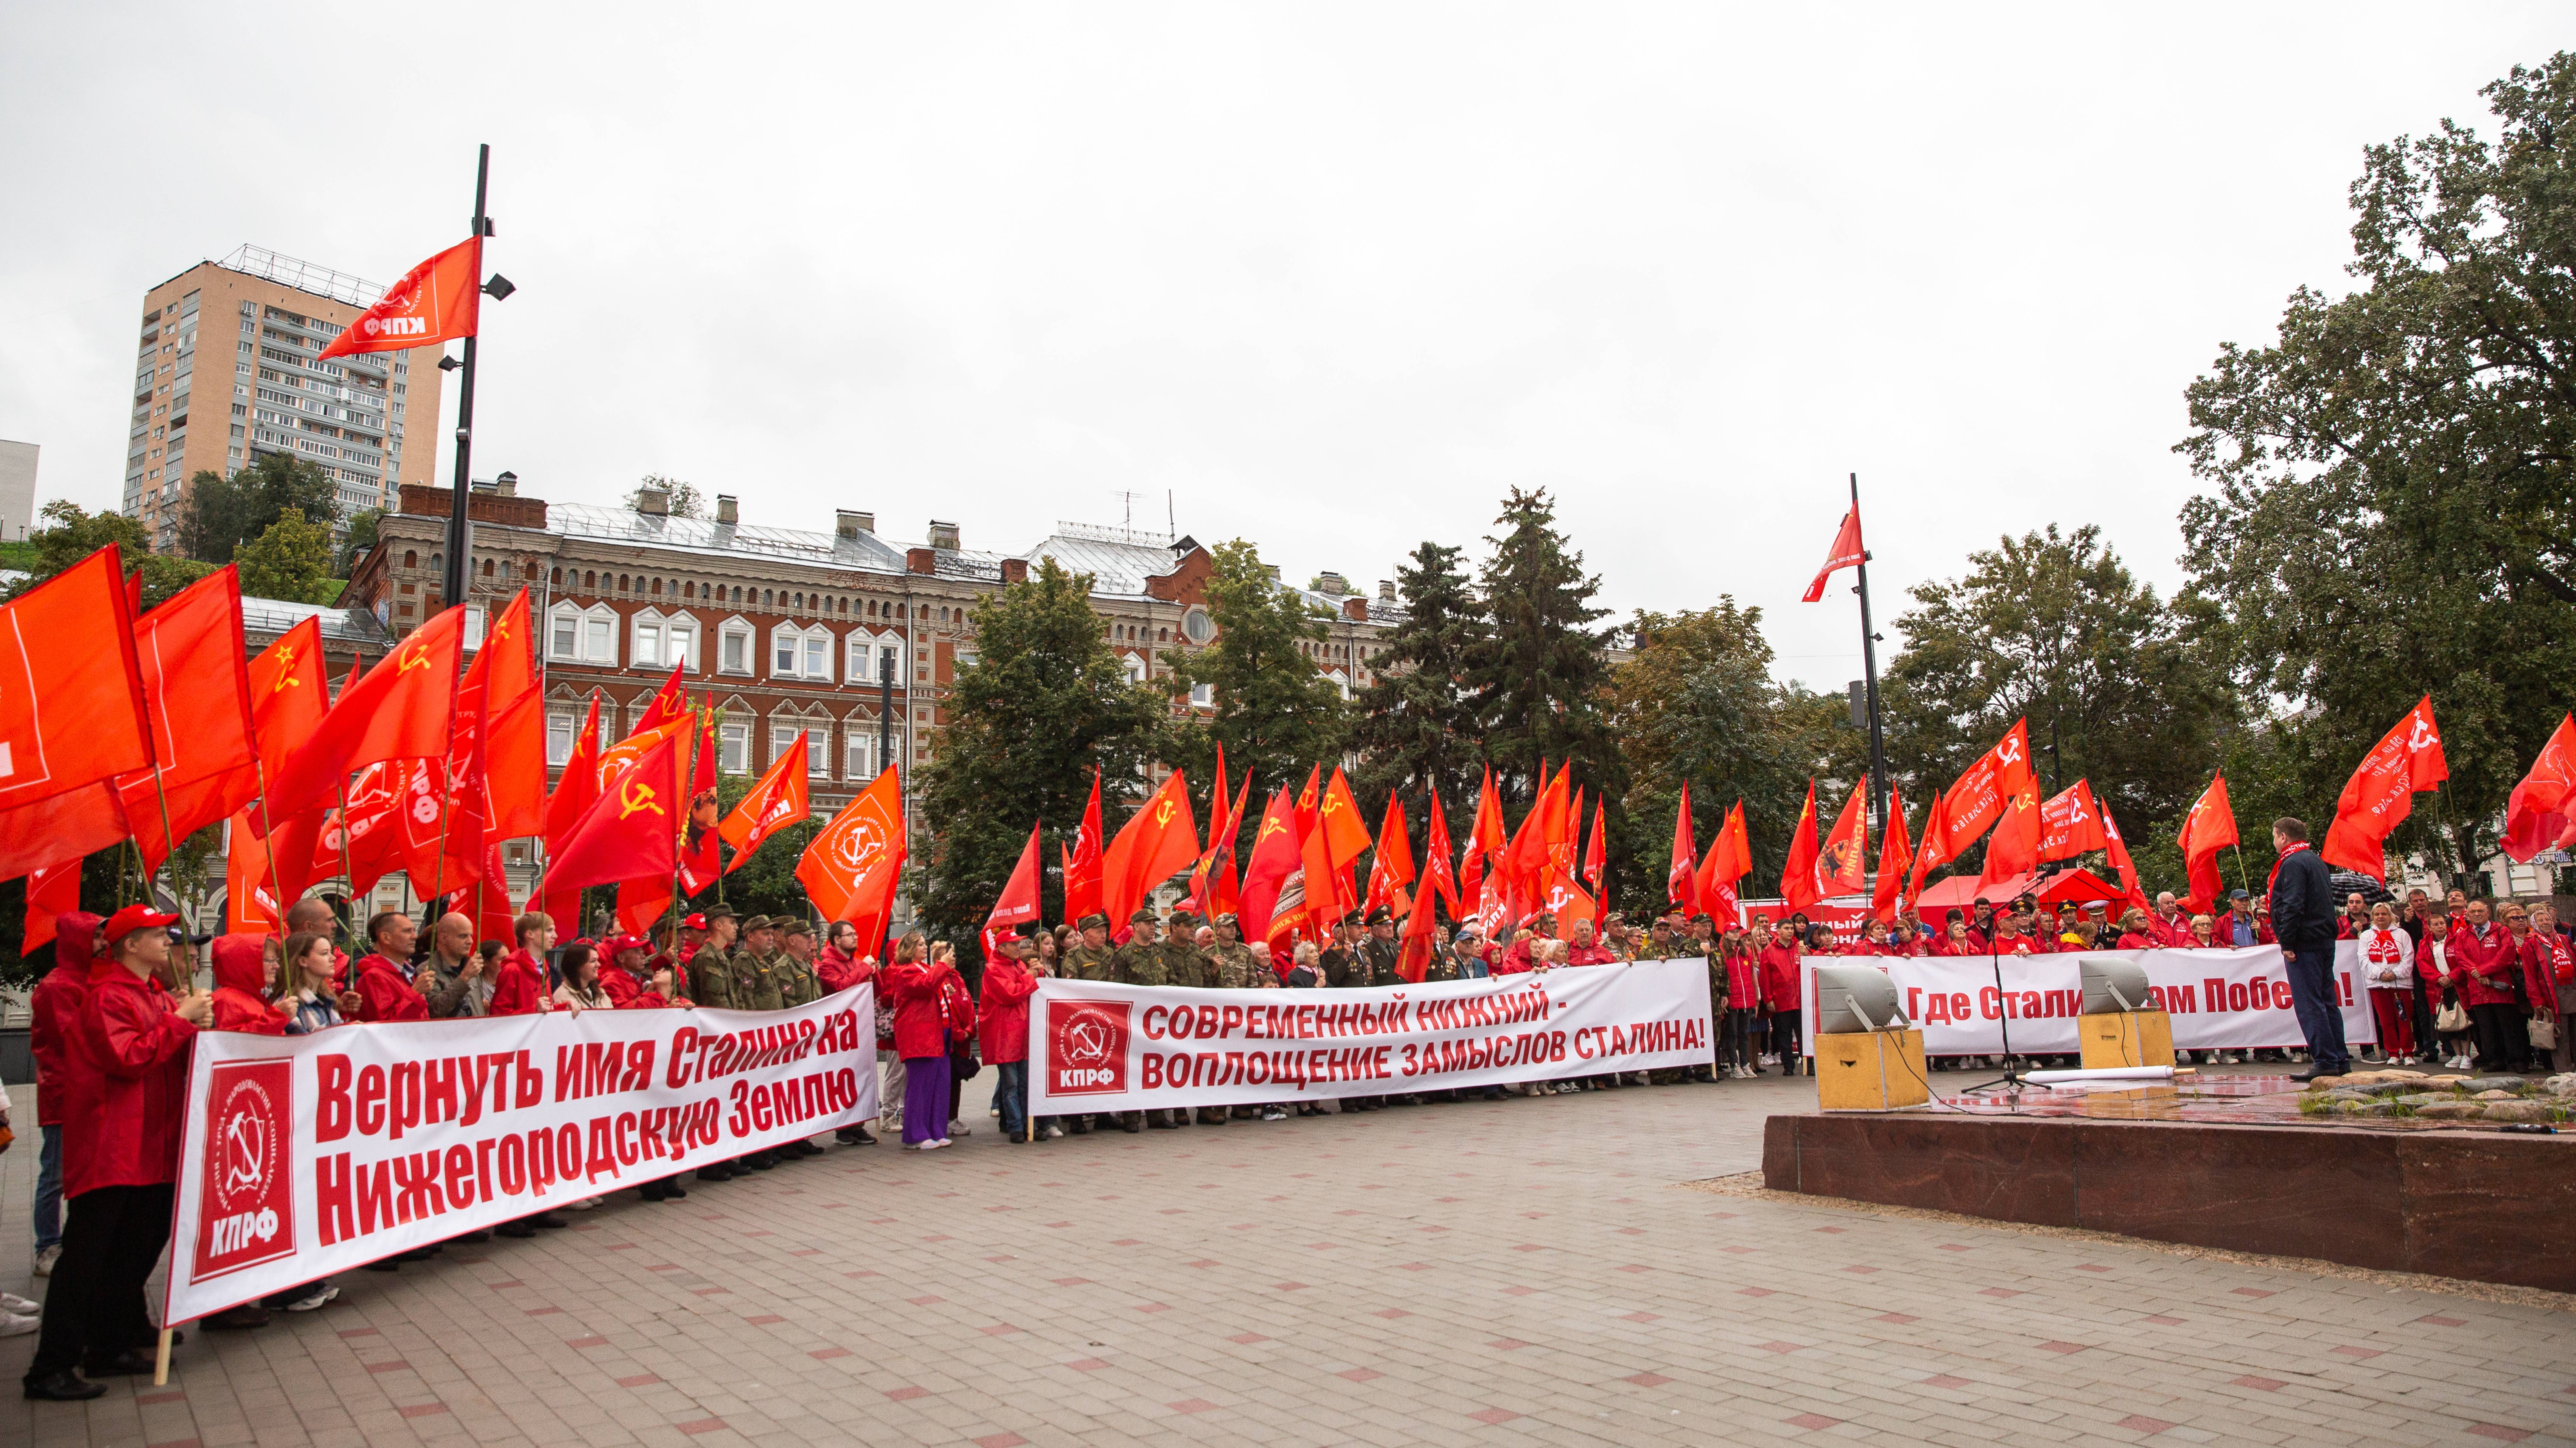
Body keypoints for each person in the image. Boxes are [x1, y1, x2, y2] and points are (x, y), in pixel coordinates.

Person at [24, 906, 214, 1401]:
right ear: (130, 944)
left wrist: (194, 1025)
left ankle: (109, 1342)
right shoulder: (109, 994)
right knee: (86, 1257)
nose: (170, 941)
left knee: (136, 1246)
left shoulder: (149, 992)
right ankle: (51, 1365)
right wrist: (179, 1019)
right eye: (159, 934)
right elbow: (128, 1057)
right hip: (114, 1147)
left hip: (151, 1145)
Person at [265, 931, 348, 1313]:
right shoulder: (288, 1005)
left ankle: (309, 1273)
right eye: (324, 952)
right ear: (301, 959)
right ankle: (285, 1286)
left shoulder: (326, 1003)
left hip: (322, 1113)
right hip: (296, 1114)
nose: (333, 958)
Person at [2263, 816, 2346, 1081]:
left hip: (2304, 942)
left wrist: (2287, 941)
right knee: (2327, 1002)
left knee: (2310, 1004)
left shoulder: (2293, 863)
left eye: (2275, 836)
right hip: (2323, 938)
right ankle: (2339, 1058)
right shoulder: (2315, 859)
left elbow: (2293, 903)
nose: (2274, 841)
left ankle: (2325, 1060)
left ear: (2284, 837)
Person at [885, 933, 967, 1150]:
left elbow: (932, 985)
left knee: (939, 1085)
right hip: (920, 1036)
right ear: (909, 949)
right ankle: (915, 1135)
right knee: (920, 1087)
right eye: (920, 945)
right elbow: (925, 987)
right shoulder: (905, 971)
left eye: (924, 944)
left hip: (938, 1034)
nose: (924, 947)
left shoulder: (923, 968)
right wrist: (942, 966)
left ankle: (935, 1130)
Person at [979, 929, 1039, 1142]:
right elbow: (1011, 994)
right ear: (1002, 948)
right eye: (1014, 945)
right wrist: (1032, 977)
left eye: (1019, 944)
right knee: (1012, 1085)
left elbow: (1022, 989)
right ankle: (1016, 1127)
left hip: (1020, 1034)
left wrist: (1033, 974)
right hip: (1005, 1036)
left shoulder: (1018, 966)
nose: (1018, 948)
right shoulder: (993, 970)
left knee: (1023, 1084)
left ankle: (1025, 1125)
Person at [2356, 902, 2417, 1065]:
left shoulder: (2402, 934)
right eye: (2377, 915)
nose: (2381, 917)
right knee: (2386, 1021)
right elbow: (2363, 959)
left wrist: (2395, 974)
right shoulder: (2367, 936)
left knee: (2404, 1019)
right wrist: (2380, 974)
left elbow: (2409, 957)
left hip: (2400, 984)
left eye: (2384, 914)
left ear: (2390, 916)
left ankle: (2408, 1053)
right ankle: (2393, 1053)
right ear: (2373, 918)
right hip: (2378, 985)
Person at [352, 912, 431, 1022]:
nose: (415, 937)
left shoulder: (405, 973)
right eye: (407, 931)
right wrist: (416, 992)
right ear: (386, 938)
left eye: (414, 930)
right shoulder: (374, 977)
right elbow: (387, 1026)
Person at [2529, 902, 2576, 1074]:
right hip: (2552, 994)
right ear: (2534, 924)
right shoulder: (2532, 943)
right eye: (2541, 920)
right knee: (2560, 1034)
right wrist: (2536, 1000)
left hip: (2572, 990)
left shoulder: (2565, 940)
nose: (2546, 923)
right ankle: (2564, 1071)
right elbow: (2530, 974)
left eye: (2547, 919)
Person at [418, 912, 488, 1017]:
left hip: (477, 1033)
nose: (470, 941)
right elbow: (435, 1011)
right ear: (444, 938)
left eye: (471, 936)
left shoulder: (473, 967)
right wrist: (465, 978)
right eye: (463, 936)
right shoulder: (427, 970)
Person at [1758, 921, 1803, 1075]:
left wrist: (1807, 955)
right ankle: (1788, 1066)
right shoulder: (1769, 951)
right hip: (1781, 1000)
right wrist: (1768, 999)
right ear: (1778, 931)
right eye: (1787, 928)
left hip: (1800, 1000)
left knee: (1803, 1033)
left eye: (1792, 929)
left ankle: (1809, 1064)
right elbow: (1765, 977)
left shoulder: (1800, 948)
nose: (1791, 931)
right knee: (1784, 1034)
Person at [489, 912, 556, 1017]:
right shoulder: (512, 970)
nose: (555, 936)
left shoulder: (544, 968)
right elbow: (499, 1015)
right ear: (530, 934)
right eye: (549, 930)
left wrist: (565, 1007)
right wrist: (535, 1010)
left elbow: (547, 1010)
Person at [552, 942, 612, 1012]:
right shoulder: (562, 996)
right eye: (593, 961)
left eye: (597, 960)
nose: (598, 965)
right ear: (578, 966)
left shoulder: (601, 992)